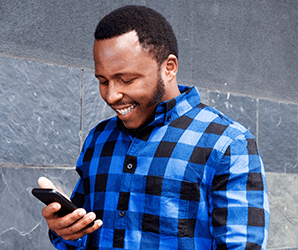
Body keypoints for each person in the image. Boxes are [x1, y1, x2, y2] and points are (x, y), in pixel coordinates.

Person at [38, 5, 269, 250]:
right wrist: (67, 232)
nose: (112, 95)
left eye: (126, 80)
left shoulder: (227, 143)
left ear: (169, 68)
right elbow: (82, 238)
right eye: (103, 81)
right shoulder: (100, 138)